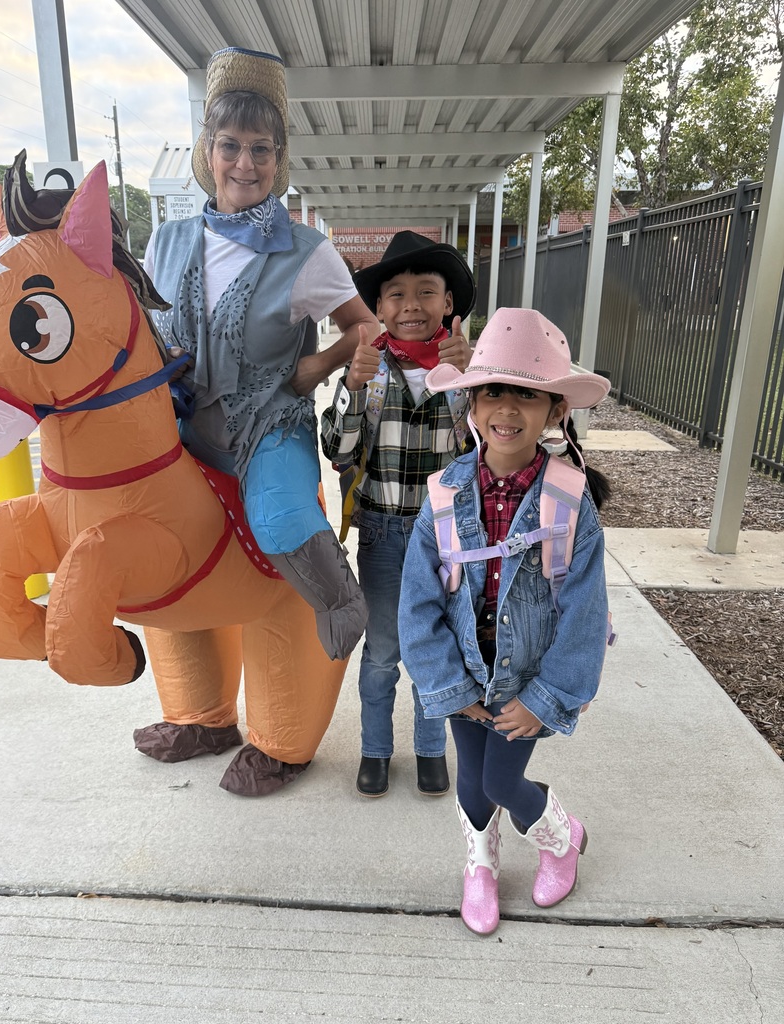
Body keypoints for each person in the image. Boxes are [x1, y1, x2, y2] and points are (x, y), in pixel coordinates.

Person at [135, 46, 381, 796]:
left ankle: (341, 601)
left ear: (280, 159)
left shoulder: (308, 253)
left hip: (268, 425)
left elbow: (363, 326)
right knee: (147, 536)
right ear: (210, 153)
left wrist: (331, 362)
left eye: (262, 150)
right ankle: (201, 713)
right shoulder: (166, 240)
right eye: (231, 146)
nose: (246, 163)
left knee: (277, 518)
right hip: (182, 423)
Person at [398, 307, 611, 935]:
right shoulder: (442, 495)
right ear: (471, 401)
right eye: (493, 390)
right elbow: (418, 603)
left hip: (530, 673)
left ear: (555, 411)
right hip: (467, 669)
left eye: (528, 393)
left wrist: (548, 699)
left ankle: (559, 837)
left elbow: (585, 612)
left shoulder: (569, 501)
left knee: (499, 777)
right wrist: (448, 686)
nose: (508, 409)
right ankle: (481, 865)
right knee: (472, 779)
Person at [320, 231, 476, 799]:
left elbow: (486, 456)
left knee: (436, 646)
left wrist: (470, 383)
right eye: (396, 294)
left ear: (448, 304)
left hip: (447, 537)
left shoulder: (470, 373)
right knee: (384, 649)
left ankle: (431, 749)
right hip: (384, 533)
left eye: (426, 292)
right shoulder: (368, 368)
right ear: (379, 308)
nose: (411, 304)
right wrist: (353, 389)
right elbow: (338, 450)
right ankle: (376, 750)